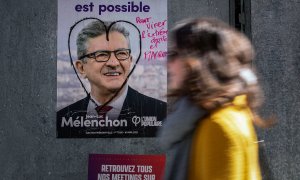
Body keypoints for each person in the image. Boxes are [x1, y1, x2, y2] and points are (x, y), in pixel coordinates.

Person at [159, 18, 271, 179]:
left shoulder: (218, 125)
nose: (167, 63)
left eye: (174, 54)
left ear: (198, 60)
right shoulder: (219, 115)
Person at [57, 21, 166, 138]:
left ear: (130, 61)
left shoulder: (161, 114)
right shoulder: (60, 120)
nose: (114, 63)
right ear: (81, 67)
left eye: (121, 53)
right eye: (101, 55)